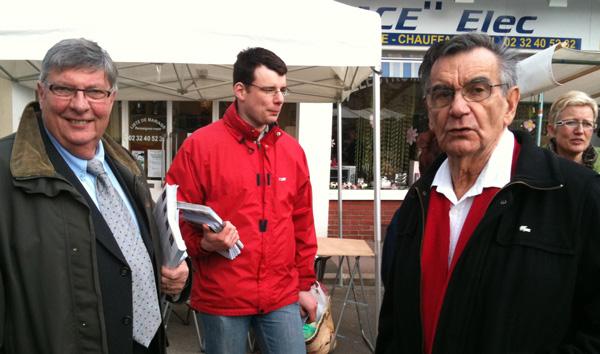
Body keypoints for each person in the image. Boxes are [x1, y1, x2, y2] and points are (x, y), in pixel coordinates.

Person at [376, 33, 600, 353]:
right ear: (429, 107)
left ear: (510, 104)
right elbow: (394, 322)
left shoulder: (577, 196)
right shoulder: (418, 200)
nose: (457, 108)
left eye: (477, 90)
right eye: (442, 93)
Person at [0, 38, 190, 354]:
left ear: (111, 98)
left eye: (94, 92)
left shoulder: (125, 164)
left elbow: (135, 252)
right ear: (41, 93)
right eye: (64, 89)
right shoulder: (6, 172)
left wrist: (179, 277)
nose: (80, 104)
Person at [166, 47, 318, 354]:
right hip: (223, 296)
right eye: (268, 89)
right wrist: (204, 244)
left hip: (281, 295)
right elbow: (174, 218)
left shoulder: (292, 152)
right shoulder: (200, 147)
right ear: (240, 90)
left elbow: (302, 223)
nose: (279, 99)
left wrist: (304, 285)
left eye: (283, 90)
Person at [546, 90, 600, 172]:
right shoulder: (533, 165)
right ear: (552, 130)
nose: (580, 131)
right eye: (571, 123)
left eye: (587, 124)